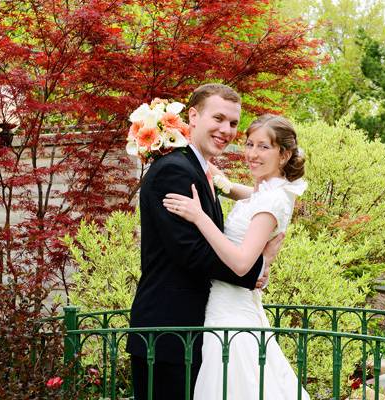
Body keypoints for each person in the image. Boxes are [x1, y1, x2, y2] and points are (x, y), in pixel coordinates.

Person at [126, 84, 283, 400]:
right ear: (193, 117)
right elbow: (191, 252)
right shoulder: (174, 170)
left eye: (234, 123)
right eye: (219, 118)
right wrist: (252, 271)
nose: (226, 130)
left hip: (193, 330)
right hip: (168, 330)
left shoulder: (199, 170)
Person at [163, 114, 310, 399]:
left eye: (264, 147)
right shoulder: (268, 190)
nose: (253, 154)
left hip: (230, 313)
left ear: (284, 154)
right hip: (227, 304)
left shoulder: (272, 200)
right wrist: (213, 173)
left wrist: (199, 216)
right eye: (249, 144)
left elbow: (242, 264)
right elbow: (240, 193)